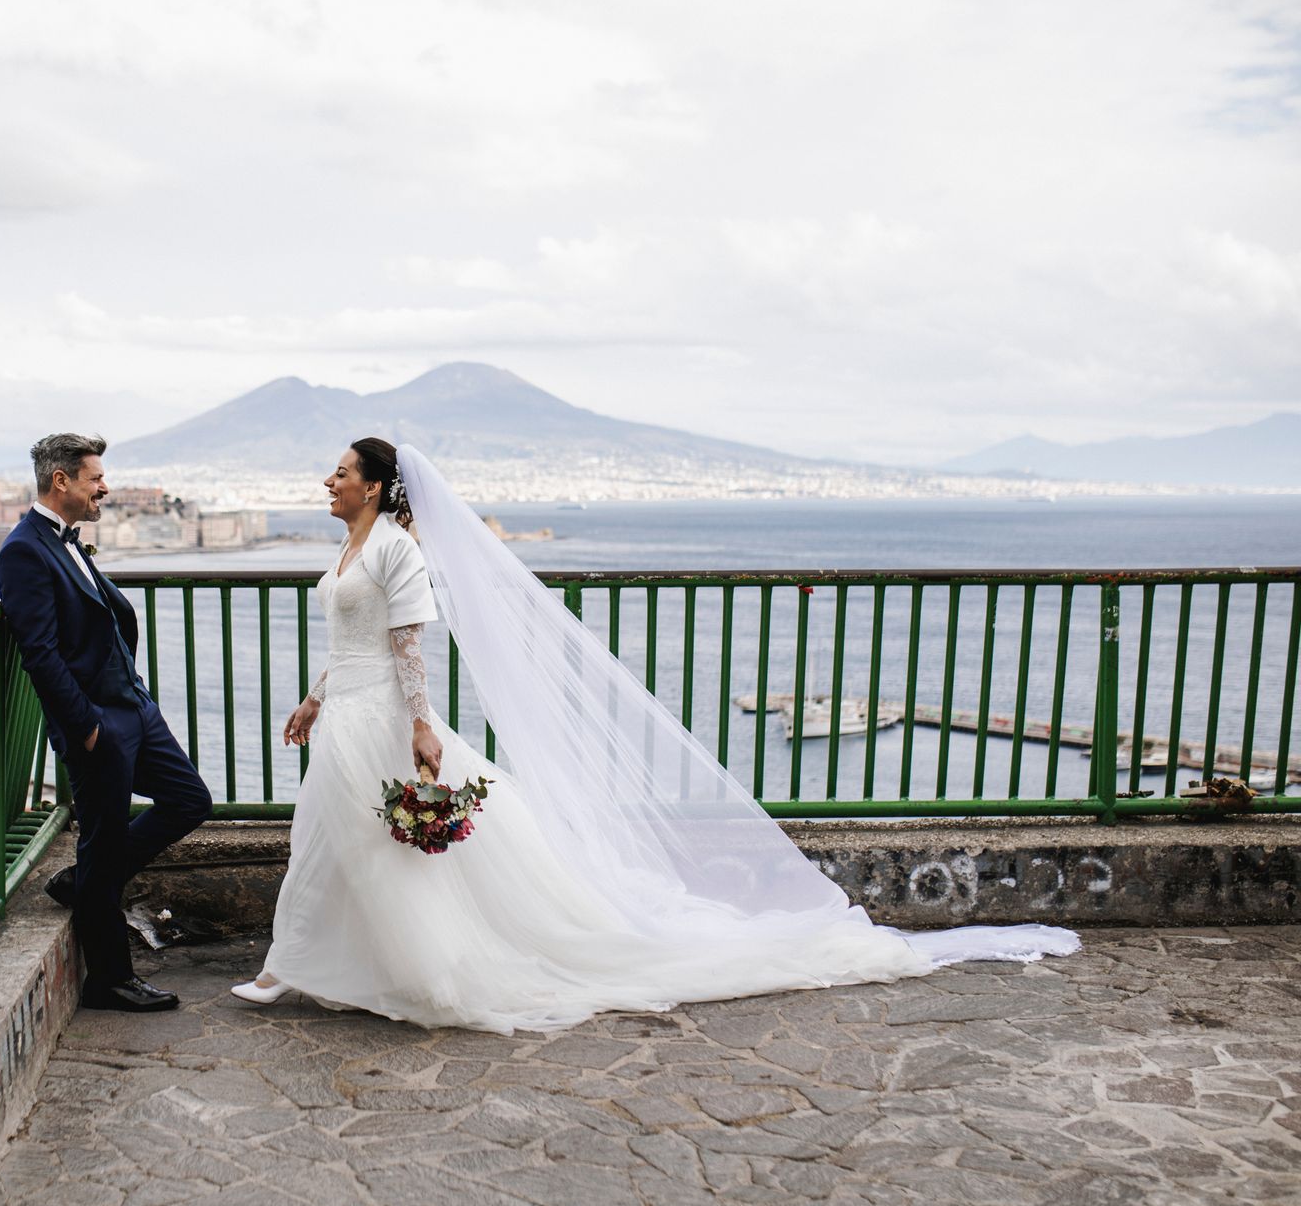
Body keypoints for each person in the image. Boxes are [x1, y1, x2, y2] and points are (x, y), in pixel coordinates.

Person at [231, 438, 1078, 1032]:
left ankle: (314, 966)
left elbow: (407, 645)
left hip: (384, 717)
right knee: (335, 839)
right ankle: (318, 962)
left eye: (341, 472)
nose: (329, 481)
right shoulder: (350, 550)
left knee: (358, 843)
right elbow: (351, 642)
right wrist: (312, 699)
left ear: (376, 486)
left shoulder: (396, 552)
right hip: (347, 713)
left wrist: (422, 725)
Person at [0, 433, 211, 1013]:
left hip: (134, 707)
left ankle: (85, 880)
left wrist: (134, 695)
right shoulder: (23, 551)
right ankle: (110, 979)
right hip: (98, 722)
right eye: (95, 478)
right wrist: (87, 727)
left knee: (190, 800)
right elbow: (40, 653)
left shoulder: (68, 541)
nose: (105, 488)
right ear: (61, 480)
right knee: (103, 838)